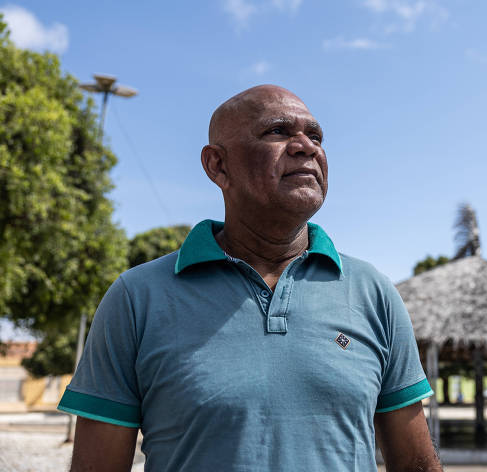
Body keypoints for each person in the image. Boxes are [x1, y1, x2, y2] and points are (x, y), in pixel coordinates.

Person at [57, 85, 442, 471]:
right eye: (277, 131)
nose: (305, 146)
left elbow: (416, 464)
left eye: (316, 136)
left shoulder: (372, 292)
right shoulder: (137, 298)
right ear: (218, 166)